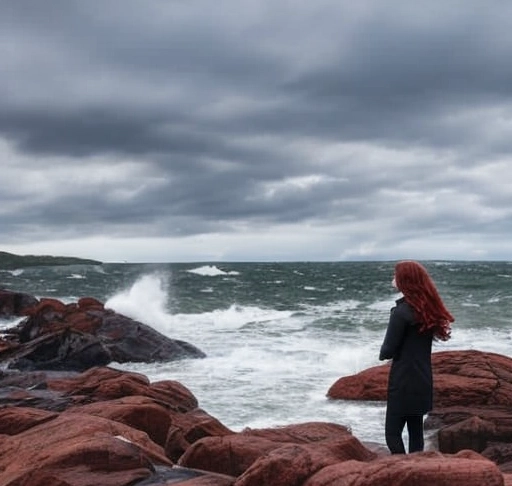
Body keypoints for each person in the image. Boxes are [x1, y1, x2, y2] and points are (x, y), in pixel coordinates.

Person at [379, 260, 454, 454]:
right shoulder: (427, 310)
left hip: (402, 380)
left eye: (395, 275)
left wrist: (383, 354)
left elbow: (388, 349)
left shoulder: (400, 312)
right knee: (415, 432)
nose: (392, 278)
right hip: (422, 379)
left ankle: (403, 470)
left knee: (392, 434)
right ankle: (417, 468)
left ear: (405, 279)